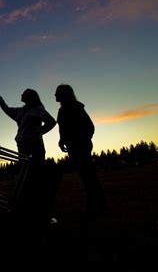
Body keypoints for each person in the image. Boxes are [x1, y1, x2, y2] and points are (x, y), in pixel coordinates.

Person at [0, 86, 58, 237]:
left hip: (35, 148)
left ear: (30, 96)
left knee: (35, 179)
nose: (21, 94)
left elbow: (52, 122)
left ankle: (41, 213)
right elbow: (6, 109)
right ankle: (27, 210)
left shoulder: (37, 109)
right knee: (26, 178)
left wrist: (37, 133)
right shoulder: (20, 111)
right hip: (22, 148)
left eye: (24, 93)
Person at [55, 84, 107, 219]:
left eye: (57, 93)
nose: (54, 95)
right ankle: (97, 204)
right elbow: (63, 128)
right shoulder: (62, 111)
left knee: (88, 176)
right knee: (85, 176)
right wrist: (62, 140)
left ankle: (96, 205)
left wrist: (81, 141)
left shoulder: (76, 108)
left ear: (65, 94)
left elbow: (90, 127)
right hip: (73, 147)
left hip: (80, 147)